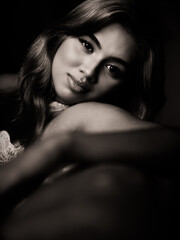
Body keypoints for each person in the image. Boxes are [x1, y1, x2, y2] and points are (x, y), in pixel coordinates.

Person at [0, 0, 179, 239]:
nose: (90, 71)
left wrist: (61, 148)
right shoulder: (16, 91)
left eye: (112, 69)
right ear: (61, 36)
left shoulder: (87, 114)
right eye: (87, 45)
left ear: (123, 88)